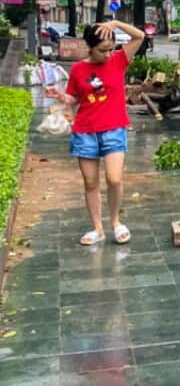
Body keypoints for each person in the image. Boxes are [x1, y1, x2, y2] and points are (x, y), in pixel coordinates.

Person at [44, 20, 146, 246]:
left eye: (111, 49)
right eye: (102, 50)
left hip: (114, 128)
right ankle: (97, 228)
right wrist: (59, 96)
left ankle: (116, 222)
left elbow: (139, 36)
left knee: (114, 178)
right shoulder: (78, 69)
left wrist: (115, 23)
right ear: (90, 47)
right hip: (85, 131)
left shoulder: (119, 60)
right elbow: (74, 98)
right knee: (90, 183)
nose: (108, 54)